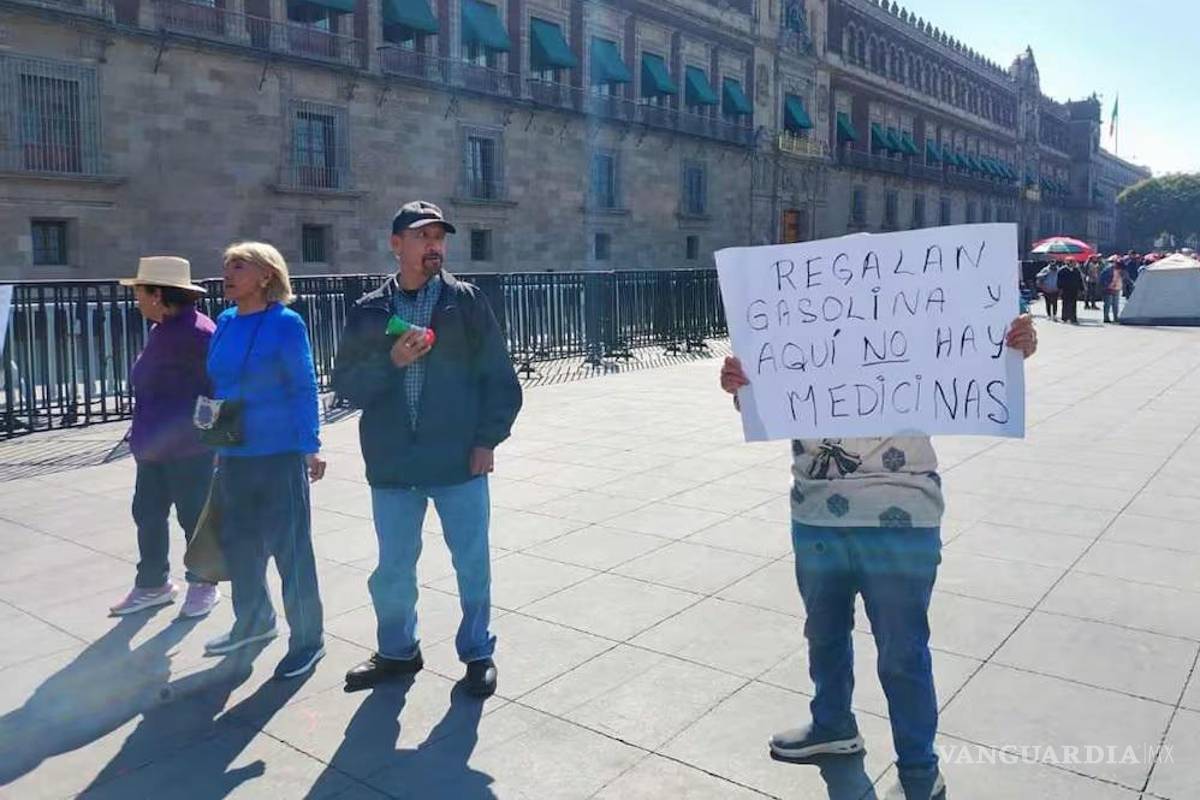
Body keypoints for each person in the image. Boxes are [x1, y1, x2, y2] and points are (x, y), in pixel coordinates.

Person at [719, 315, 1038, 800]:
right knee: (823, 633)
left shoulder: (921, 322)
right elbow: (766, 397)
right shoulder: (794, 326)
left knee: (902, 651)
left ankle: (918, 770)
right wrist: (738, 384)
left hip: (902, 516)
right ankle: (832, 725)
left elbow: (972, 357)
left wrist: (1012, 349)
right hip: (816, 510)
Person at [333, 201, 522, 697]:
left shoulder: (466, 302)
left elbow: (500, 380)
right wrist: (391, 361)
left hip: (458, 460)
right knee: (393, 567)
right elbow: (347, 385)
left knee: (471, 561)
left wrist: (487, 440)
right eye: (422, 237)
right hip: (393, 462)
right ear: (397, 246)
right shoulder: (370, 310)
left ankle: (477, 651)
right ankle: (397, 651)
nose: (434, 245)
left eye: (439, 237)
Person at [203, 242, 327, 681]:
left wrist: (310, 444)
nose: (228, 273)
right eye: (226, 266)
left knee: (291, 550)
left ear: (266, 276)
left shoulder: (286, 324)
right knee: (240, 547)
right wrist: (216, 443)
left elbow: (304, 386)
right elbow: (217, 384)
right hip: (234, 452)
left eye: (239, 266)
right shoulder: (225, 321)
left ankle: (308, 640)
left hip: (278, 453)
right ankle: (253, 622)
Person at [110, 257, 219, 619]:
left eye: (139, 292)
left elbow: (217, 388)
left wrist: (208, 439)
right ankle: (153, 583)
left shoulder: (198, 333)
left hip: (188, 449)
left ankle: (203, 583)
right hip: (153, 447)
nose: (136, 300)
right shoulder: (165, 329)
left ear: (157, 294)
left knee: (193, 516)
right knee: (148, 512)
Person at [1056, 259, 1083, 324]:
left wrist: (1081, 288)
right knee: (1065, 303)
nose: (1074, 264)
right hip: (1065, 289)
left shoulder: (1076, 270)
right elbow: (1059, 280)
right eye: (1073, 262)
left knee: (1073, 304)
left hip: (1074, 289)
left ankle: (1073, 318)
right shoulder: (1062, 270)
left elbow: (1079, 280)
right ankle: (1064, 318)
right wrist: (1060, 288)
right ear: (1069, 263)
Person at [1100, 258, 1124, 323]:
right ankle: (1106, 318)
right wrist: (1106, 286)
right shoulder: (1108, 269)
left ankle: (1115, 318)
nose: (1119, 268)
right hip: (1108, 289)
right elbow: (1102, 278)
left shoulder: (1122, 270)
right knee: (1107, 304)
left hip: (1117, 288)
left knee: (1115, 304)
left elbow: (1126, 278)